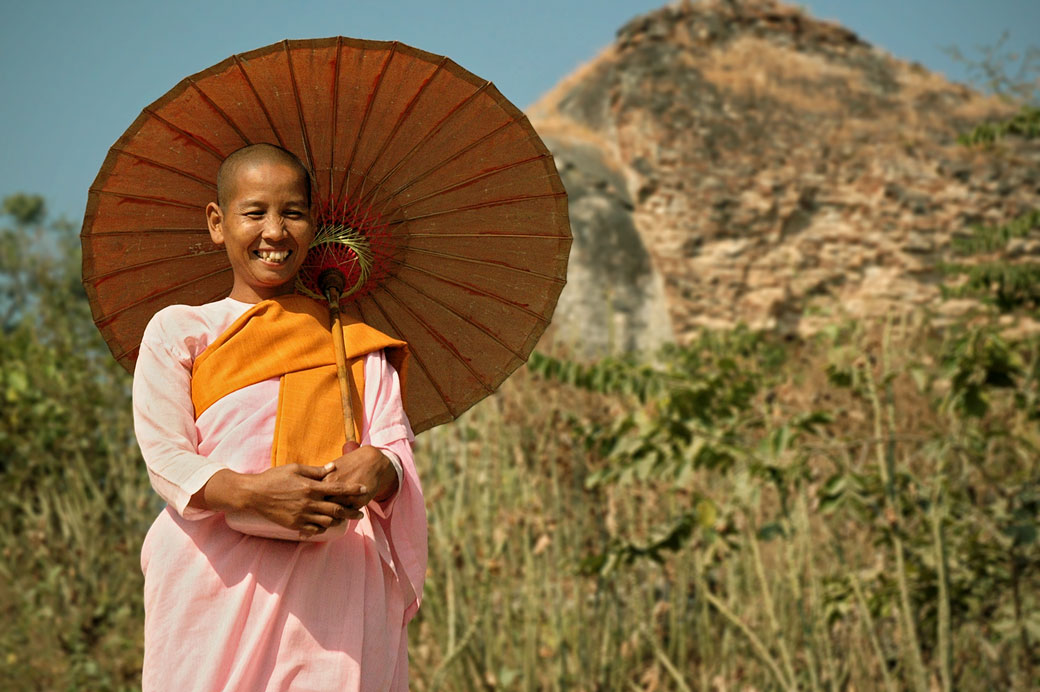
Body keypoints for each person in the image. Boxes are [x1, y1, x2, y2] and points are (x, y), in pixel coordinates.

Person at [132, 143, 427, 691]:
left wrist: (377, 468)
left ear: (313, 226)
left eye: (292, 213)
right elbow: (165, 456)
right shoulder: (181, 330)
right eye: (254, 212)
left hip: (332, 582)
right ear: (217, 223)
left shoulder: (357, 345)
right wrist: (251, 494)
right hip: (212, 579)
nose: (274, 231)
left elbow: (395, 452)